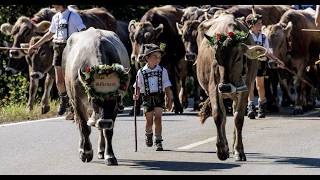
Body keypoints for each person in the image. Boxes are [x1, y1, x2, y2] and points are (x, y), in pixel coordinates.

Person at [28, 5, 86, 116]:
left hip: (70, 47)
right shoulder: (56, 17)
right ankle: (64, 99)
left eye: (54, 5)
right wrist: (35, 46)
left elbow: (82, 31)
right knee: (59, 80)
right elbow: (49, 34)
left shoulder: (73, 16)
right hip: (57, 47)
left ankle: (74, 104)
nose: (52, 7)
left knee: (72, 79)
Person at [133, 44, 173, 151]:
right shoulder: (141, 72)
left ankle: (158, 140)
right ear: (147, 58)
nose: (158, 59)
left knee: (158, 118)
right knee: (149, 121)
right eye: (155, 56)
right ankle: (148, 133)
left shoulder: (162, 71)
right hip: (147, 98)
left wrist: (169, 99)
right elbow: (138, 85)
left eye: (159, 57)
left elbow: (167, 85)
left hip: (159, 97)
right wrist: (136, 94)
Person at [245, 13, 285, 119]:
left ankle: (261, 107)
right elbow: (245, 50)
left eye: (261, 23)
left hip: (261, 63)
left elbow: (267, 52)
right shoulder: (247, 36)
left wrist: (277, 61)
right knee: (250, 85)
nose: (261, 25)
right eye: (258, 23)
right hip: (250, 64)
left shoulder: (263, 37)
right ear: (251, 25)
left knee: (260, 86)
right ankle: (250, 107)